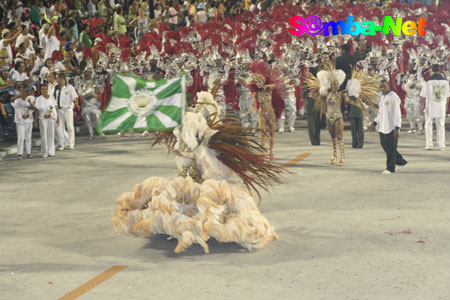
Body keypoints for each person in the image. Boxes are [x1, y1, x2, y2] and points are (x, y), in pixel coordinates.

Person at [369, 78, 407, 174]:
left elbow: (397, 114)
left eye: (384, 86)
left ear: (388, 85)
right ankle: (400, 161)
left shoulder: (394, 97)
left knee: (390, 148)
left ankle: (390, 168)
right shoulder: (382, 98)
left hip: (391, 127)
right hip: (382, 127)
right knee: (385, 146)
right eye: (381, 87)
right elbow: (380, 113)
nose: (383, 88)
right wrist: (374, 123)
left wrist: (397, 128)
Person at [420, 64, 450, 151]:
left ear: (431, 71)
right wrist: (446, 106)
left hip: (430, 105)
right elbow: (448, 95)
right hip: (441, 105)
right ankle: (441, 145)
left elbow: (424, 95)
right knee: (440, 125)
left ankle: (429, 144)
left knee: (428, 124)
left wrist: (422, 106)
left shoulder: (428, 81)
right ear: (440, 70)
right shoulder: (445, 81)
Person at [54, 74, 79, 150]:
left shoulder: (69, 87)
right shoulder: (56, 88)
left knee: (70, 127)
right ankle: (62, 144)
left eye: (58, 78)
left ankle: (71, 143)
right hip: (59, 110)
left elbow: (75, 97)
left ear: (62, 79)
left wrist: (76, 102)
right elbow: (52, 97)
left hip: (68, 109)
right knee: (60, 128)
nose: (56, 80)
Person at [34, 84, 58, 158]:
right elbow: (37, 110)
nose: (44, 90)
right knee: (44, 135)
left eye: (45, 89)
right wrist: (35, 121)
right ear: (41, 90)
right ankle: (45, 152)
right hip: (43, 119)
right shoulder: (39, 99)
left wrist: (58, 117)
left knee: (51, 135)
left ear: (48, 90)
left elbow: (55, 107)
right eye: (43, 89)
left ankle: (51, 151)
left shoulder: (52, 97)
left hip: (51, 118)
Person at [11, 86, 35, 160]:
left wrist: (29, 102)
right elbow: (11, 100)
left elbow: (33, 108)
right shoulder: (17, 100)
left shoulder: (31, 98)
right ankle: (20, 154)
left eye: (25, 91)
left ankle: (28, 153)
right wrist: (18, 96)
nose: (23, 93)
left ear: (27, 92)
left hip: (29, 120)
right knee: (21, 137)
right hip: (20, 121)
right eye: (21, 91)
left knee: (28, 137)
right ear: (19, 92)